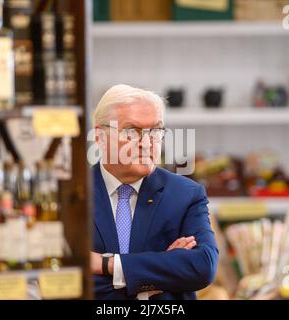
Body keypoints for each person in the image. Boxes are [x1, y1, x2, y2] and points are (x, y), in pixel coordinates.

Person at [91, 84, 218, 300]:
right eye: (132, 131)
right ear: (100, 136)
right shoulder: (72, 195)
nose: (148, 143)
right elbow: (60, 280)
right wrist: (161, 272)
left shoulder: (185, 195)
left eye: (156, 131)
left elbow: (203, 266)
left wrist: (108, 265)